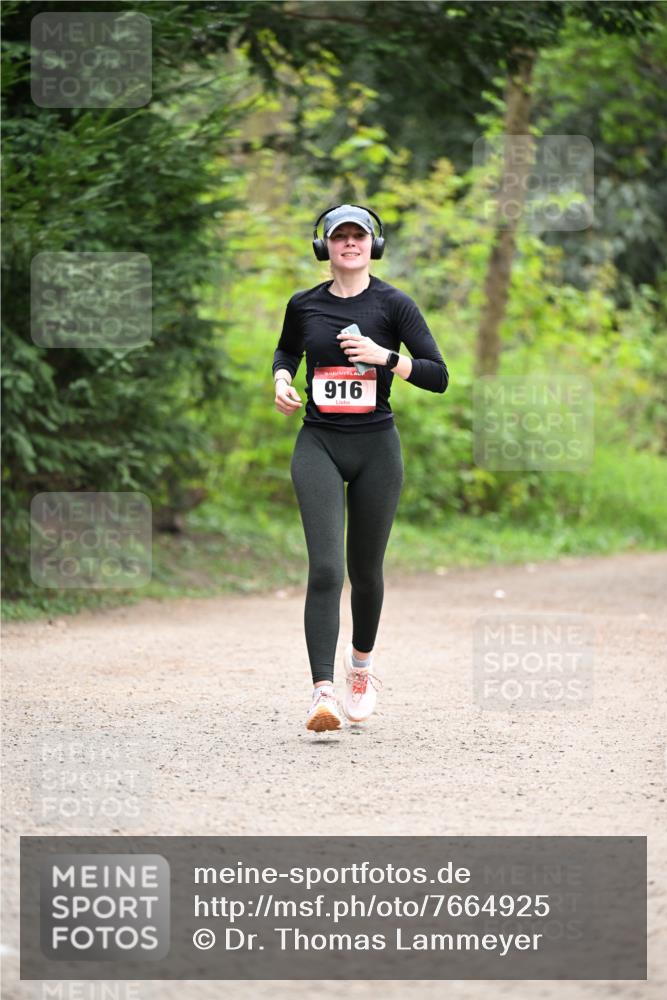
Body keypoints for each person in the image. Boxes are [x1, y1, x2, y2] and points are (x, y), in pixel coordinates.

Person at [272, 204, 448, 733]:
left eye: (360, 235)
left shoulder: (395, 305)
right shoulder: (304, 305)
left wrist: (384, 356)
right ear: (323, 246)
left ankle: (362, 668)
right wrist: (281, 380)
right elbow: (285, 351)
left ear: (375, 245)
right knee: (325, 569)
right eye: (339, 236)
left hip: (376, 449)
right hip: (319, 444)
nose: (350, 243)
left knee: (365, 573)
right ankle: (322, 693)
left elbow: (439, 376)